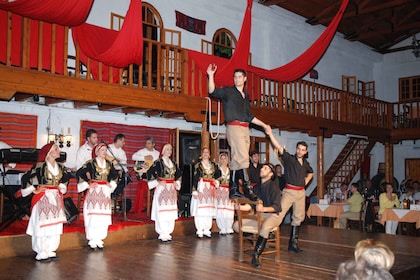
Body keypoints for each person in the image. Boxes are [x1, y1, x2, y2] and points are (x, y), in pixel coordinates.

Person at [207, 64, 269, 201]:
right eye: (235, 77)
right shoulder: (229, 91)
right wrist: (211, 75)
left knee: (236, 160)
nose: (237, 79)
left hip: (245, 127)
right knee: (243, 158)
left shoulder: (245, 95)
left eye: (240, 77)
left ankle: (233, 189)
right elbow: (212, 91)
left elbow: (249, 116)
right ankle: (248, 188)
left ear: (245, 79)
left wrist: (265, 125)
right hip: (234, 127)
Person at [263, 126, 313, 254]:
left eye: (303, 150)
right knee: (278, 214)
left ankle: (293, 245)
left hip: (301, 193)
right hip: (289, 192)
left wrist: (306, 182)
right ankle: (265, 235)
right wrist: (270, 134)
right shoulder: (289, 159)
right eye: (298, 149)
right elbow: (279, 147)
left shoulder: (305, 163)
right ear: (296, 149)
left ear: (306, 152)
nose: (300, 151)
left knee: (298, 217)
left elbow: (311, 172)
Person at [21, 143, 71, 262]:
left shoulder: (61, 167)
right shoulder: (40, 166)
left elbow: (66, 177)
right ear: (49, 153)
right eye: (56, 149)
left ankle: (51, 249)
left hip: (56, 197)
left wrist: (62, 186)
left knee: (55, 224)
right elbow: (26, 177)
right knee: (43, 224)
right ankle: (41, 251)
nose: (59, 151)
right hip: (44, 197)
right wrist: (34, 189)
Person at [76, 143, 119, 250]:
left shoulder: (109, 164)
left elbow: (115, 176)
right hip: (94, 192)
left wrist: (111, 184)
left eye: (105, 150)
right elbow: (79, 173)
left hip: (104, 192)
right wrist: (87, 185)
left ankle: (100, 240)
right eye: (102, 150)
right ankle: (92, 240)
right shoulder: (90, 163)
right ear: (96, 151)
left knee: (103, 216)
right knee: (93, 216)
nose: (104, 152)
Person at [146, 143, 182, 242]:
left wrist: (177, 182)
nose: (169, 151)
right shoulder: (158, 162)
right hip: (162, 189)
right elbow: (149, 173)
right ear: (163, 150)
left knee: (170, 211)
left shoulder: (174, 164)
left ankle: (168, 232)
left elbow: (179, 175)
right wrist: (157, 182)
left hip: (171, 190)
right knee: (162, 210)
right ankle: (162, 233)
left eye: (170, 150)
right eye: (167, 149)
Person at [250, 163, 282, 268]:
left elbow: (277, 207)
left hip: (273, 215)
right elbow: (251, 205)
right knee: (236, 226)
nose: (262, 169)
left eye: (265, 168)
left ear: (271, 174)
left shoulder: (274, 187)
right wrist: (239, 207)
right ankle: (260, 239)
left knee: (265, 227)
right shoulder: (256, 188)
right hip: (260, 215)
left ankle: (256, 256)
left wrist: (264, 209)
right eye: (262, 167)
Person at [190, 147, 220, 238]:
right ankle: (199, 229)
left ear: (209, 154)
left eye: (207, 152)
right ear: (201, 154)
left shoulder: (214, 165)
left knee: (208, 209)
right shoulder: (198, 165)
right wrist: (194, 190)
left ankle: (207, 229)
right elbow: (194, 178)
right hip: (201, 187)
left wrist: (216, 181)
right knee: (200, 210)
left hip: (210, 189)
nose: (206, 154)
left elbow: (218, 175)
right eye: (204, 152)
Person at [132, 137, 160, 213]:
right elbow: (133, 156)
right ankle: (140, 208)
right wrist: (144, 157)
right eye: (146, 143)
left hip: (153, 175)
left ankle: (154, 207)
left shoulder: (157, 153)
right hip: (144, 174)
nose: (147, 145)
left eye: (149, 143)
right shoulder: (142, 151)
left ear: (153, 144)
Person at [214, 152, 234, 235]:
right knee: (221, 210)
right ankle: (222, 227)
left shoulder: (231, 171)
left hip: (228, 192)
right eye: (221, 159)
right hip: (220, 191)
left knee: (229, 210)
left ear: (228, 160)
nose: (223, 160)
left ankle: (229, 227)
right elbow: (214, 181)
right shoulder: (217, 170)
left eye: (225, 158)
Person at [107, 133, 129, 198]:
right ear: (118, 140)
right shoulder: (109, 148)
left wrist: (121, 170)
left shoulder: (122, 152)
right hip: (110, 170)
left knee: (127, 177)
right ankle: (111, 192)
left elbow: (124, 163)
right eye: (123, 141)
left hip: (119, 170)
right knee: (114, 175)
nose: (124, 143)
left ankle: (115, 192)